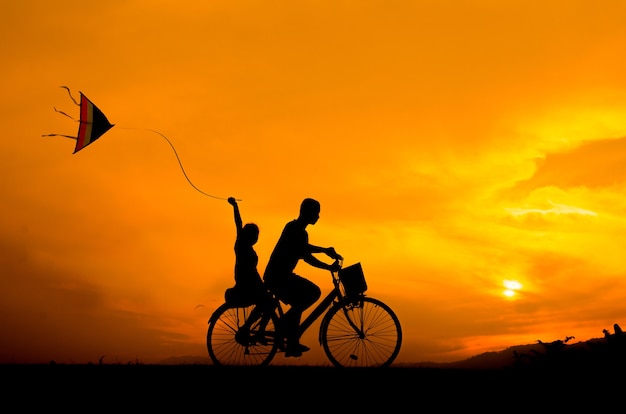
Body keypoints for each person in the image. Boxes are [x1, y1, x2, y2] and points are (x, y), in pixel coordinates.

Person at [263, 198, 342, 357]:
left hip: (283, 276)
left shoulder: (300, 231)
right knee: (312, 293)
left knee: (303, 298)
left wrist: (324, 251)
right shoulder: (293, 228)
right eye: (316, 213)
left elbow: (305, 251)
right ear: (307, 212)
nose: (318, 216)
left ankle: (291, 340)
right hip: (277, 276)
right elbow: (305, 254)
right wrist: (327, 263)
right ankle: (284, 327)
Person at [226, 197, 272, 325]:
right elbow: (238, 223)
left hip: (252, 282)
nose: (256, 238)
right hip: (246, 284)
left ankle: (257, 329)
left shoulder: (247, 249)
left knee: (269, 303)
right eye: (255, 235)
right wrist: (235, 206)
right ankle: (250, 327)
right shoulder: (241, 245)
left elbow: (254, 271)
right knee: (269, 304)